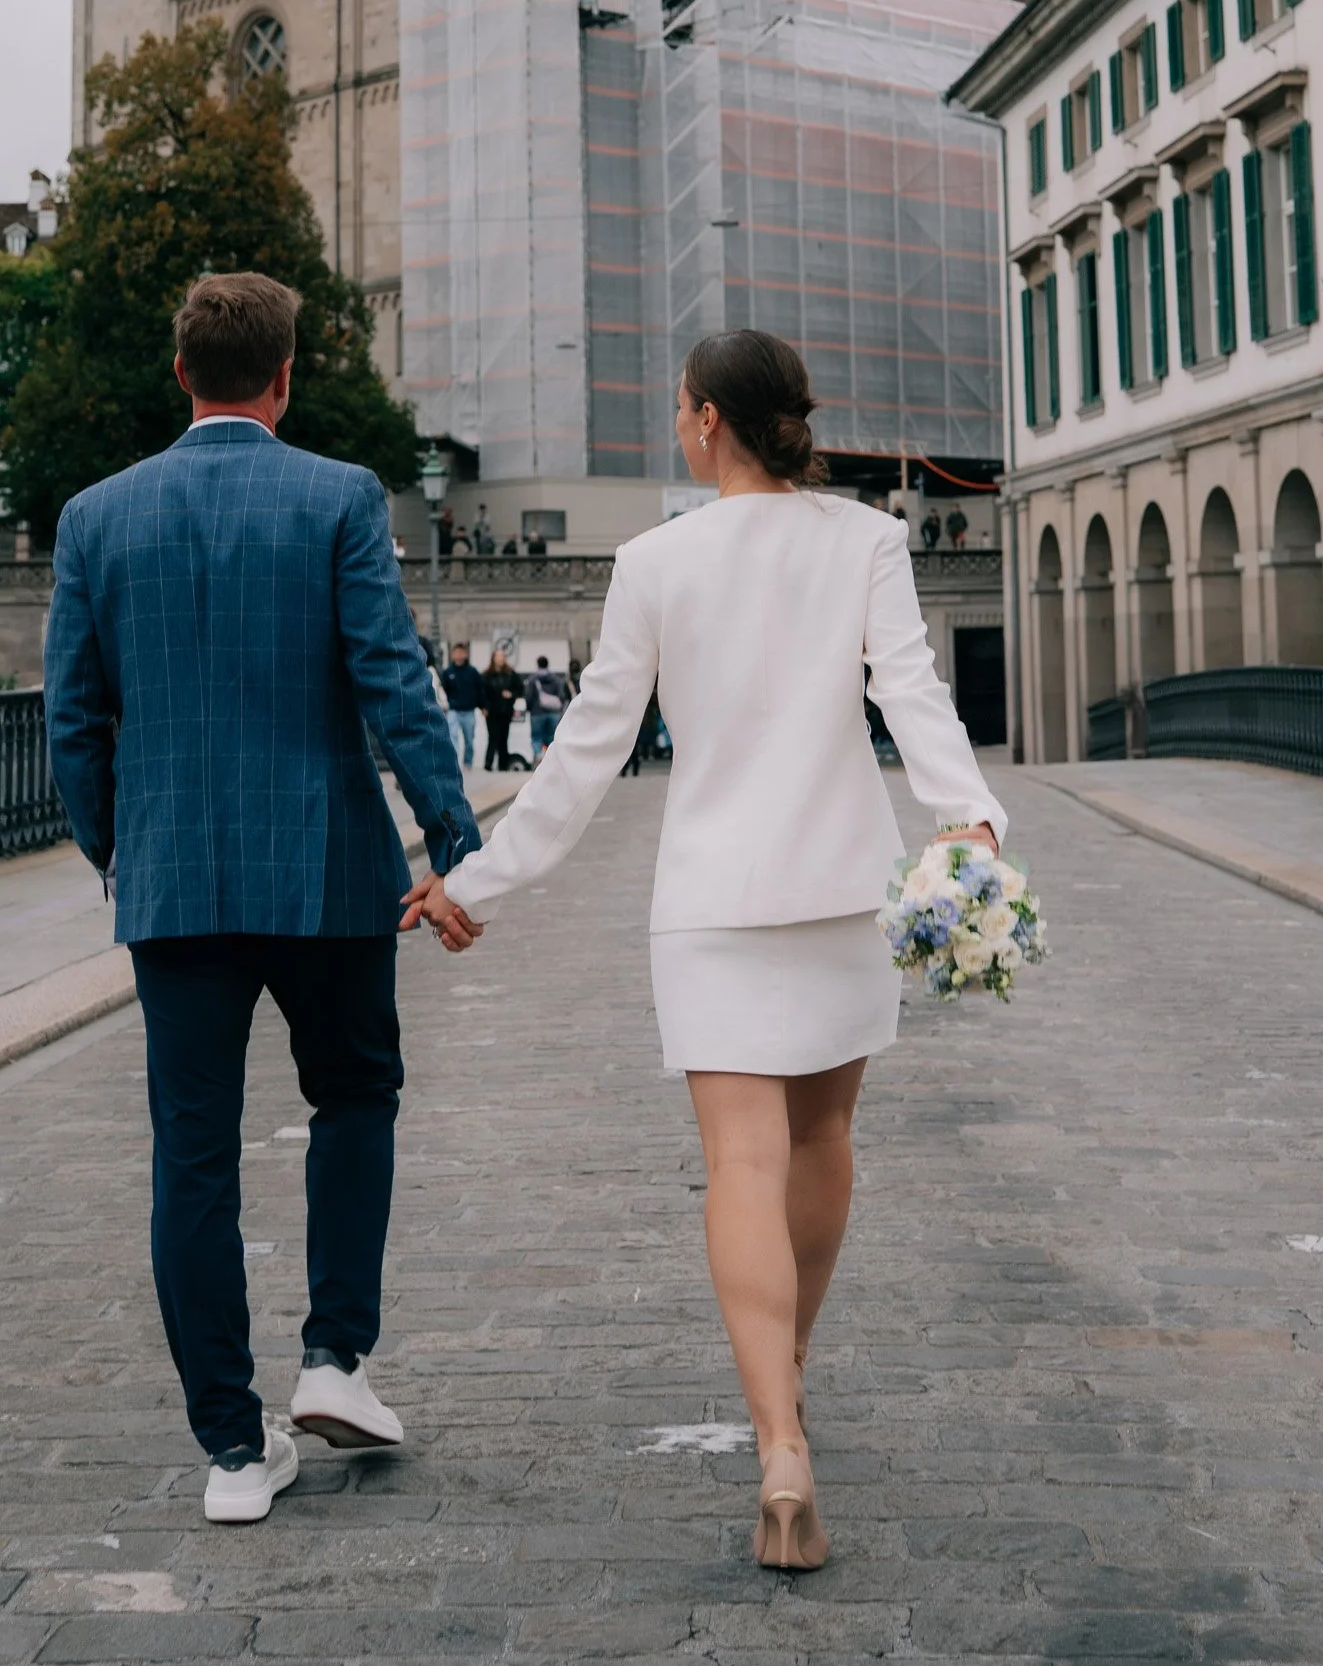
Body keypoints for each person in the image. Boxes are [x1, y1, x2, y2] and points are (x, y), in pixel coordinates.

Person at [404, 327, 1004, 1573]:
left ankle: (778, 1438)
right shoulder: (869, 541)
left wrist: (476, 881)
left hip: (712, 902)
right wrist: (968, 819)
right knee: (823, 1143)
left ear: (703, 421)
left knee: (741, 1163)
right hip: (839, 887)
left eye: (682, 407)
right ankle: (787, 1369)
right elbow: (911, 693)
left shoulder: (654, 561)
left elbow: (586, 752)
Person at [45, 271, 479, 1527]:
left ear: (181, 374)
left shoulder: (94, 518)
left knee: (192, 1157)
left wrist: (121, 853)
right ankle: (336, 1358)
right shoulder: (339, 497)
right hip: (330, 870)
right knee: (353, 1095)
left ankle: (233, 1454)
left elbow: (73, 720)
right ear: (284, 377)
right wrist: (452, 840)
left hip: (173, 880)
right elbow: (392, 682)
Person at [440, 641, 486, 768]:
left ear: (465, 654)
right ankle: (453, 762)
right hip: (454, 709)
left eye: (461, 652)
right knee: (452, 737)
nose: (459, 655)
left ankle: (468, 762)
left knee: (469, 740)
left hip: (469, 710)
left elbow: (479, 689)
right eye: (456, 653)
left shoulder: (472, 672)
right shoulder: (448, 672)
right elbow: (444, 690)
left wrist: (483, 706)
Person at [480, 648, 520, 770]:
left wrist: (511, 694)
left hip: (505, 710)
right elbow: (482, 692)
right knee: (493, 736)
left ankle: (503, 764)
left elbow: (519, 689)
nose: (500, 659)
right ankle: (488, 763)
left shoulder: (510, 674)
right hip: (492, 710)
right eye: (498, 656)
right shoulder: (487, 675)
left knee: (504, 737)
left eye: (502, 656)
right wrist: (484, 706)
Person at [524, 656, 570, 758]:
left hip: (537, 713)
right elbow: (562, 695)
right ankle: (550, 758)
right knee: (551, 738)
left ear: (538, 664)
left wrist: (529, 708)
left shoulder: (532, 679)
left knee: (536, 737)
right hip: (553, 713)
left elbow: (528, 696)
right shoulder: (556, 679)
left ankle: (538, 756)